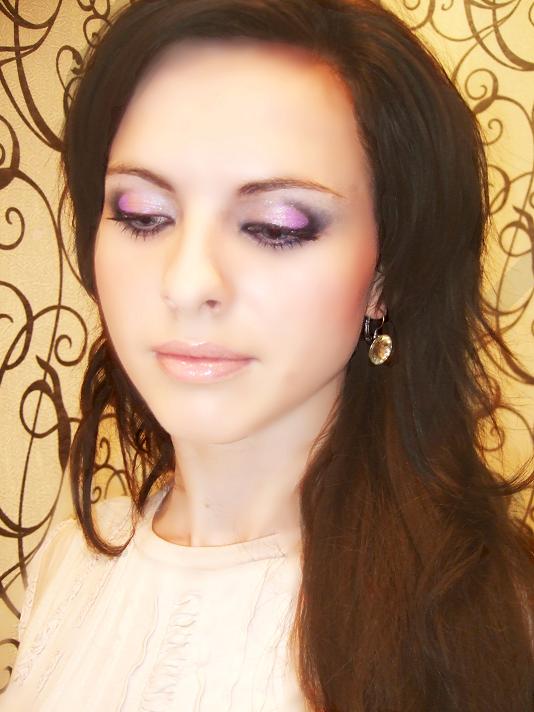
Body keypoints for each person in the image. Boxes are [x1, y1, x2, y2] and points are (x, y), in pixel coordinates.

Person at [2, 0, 534, 710]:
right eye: (142, 215)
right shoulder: (74, 559)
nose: (188, 283)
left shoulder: (491, 618)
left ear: (388, 274)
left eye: (276, 225)